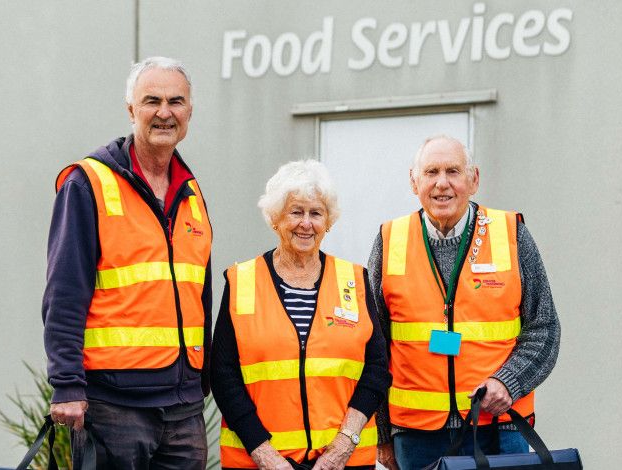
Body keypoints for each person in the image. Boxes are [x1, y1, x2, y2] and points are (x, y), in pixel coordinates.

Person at [42, 57, 212, 469]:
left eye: (176, 101)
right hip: (114, 403)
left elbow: (199, 293)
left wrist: (200, 382)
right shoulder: (88, 183)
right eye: (151, 100)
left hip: (184, 404)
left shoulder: (190, 191)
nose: (164, 112)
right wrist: (66, 384)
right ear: (131, 109)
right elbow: (64, 294)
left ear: (190, 111)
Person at [368, 135, 561, 470]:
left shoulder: (511, 233)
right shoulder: (389, 240)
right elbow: (373, 346)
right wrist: (382, 434)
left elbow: (544, 328)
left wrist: (508, 381)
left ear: (474, 180)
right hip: (415, 436)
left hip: (499, 426)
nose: (442, 184)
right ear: (414, 182)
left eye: (453, 171)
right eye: (431, 172)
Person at [211, 160, 391, 470]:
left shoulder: (353, 279)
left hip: (343, 462)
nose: (306, 223)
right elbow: (223, 375)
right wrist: (264, 455)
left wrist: (344, 443)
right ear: (275, 218)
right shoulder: (243, 281)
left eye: (316, 213)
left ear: (328, 221)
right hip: (259, 463)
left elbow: (376, 369)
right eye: (296, 212)